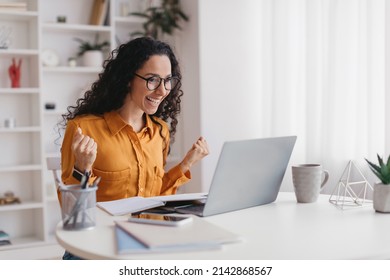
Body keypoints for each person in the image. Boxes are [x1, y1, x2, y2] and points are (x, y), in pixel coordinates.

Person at [58, 37, 209, 259]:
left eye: (168, 80)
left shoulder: (159, 131)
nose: (162, 90)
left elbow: (156, 199)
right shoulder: (83, 129)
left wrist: (187, 163)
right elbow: (74, 215)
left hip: (147, 244)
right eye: (152, 80)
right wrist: (83, 169)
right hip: (97, 248)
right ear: (128, 79)